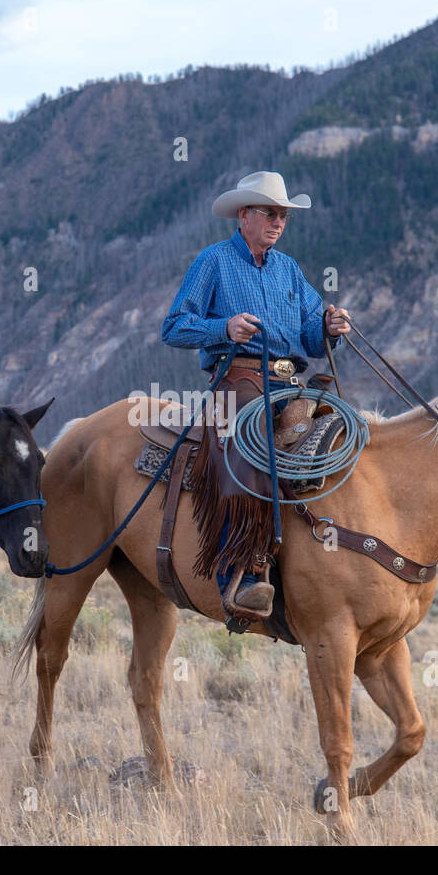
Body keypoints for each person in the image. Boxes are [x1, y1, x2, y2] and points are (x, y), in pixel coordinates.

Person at [161, 171, 351, 627]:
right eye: (270, 212)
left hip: (288, 381)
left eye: (283, 215)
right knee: (248, 445)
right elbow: (174, 326)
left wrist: (328, 327)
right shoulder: (214, 262)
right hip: (238, 377)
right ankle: (241, 574)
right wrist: (222, 328)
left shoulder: (288, 269)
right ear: (244, 214)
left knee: (340, 431)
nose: (278, 221)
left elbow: (308, 335)